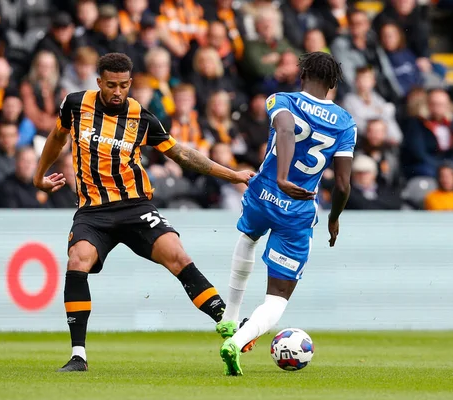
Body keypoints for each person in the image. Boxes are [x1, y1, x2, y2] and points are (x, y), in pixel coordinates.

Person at [32, 53, 255, 372]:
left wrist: (232, 174)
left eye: (123, 85)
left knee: (178, 257)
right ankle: (78, 355)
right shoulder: (75, 104)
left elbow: (182, 155)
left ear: (130, 83)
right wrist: (39, 174)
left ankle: (230, 324)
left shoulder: (142, 117)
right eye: (111, 85)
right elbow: (57, 137)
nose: (117, 92)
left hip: (135, 206)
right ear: (99, 83)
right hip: (93, 211)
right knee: (77, 260)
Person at [216, 52, 356, 376]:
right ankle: (236, 340)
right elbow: (345, 184)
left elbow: (285, 129)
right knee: (277, 299)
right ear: (334, 84)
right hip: (298, 210)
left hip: (263, 193)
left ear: (302, 73)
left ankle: (230, 316)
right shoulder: (346, 122)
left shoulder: (281, 99)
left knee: (248, 238)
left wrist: (280, 178)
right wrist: (335, 217)